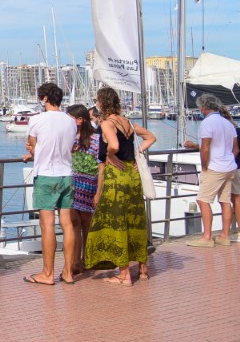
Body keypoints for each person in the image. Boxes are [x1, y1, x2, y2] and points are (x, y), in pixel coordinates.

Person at [85, 86, 155, 283]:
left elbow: (114, 145)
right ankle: (142, 270)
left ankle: (124, 275)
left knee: (116, 222)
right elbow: (151, 137)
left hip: (116, 177)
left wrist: (109, 155)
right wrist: (137, 154)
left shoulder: (107, 123)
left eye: (98, 100)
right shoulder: (128, 122)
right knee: (135, 221)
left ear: (102, 103)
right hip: (133, 177)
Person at [20, 82, 78, 286]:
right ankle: (68, 272)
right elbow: (72, 146)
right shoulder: (70, 121)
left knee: (47, 225)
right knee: (68, 224)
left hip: (46, 174)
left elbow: (32, 144)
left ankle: (47, 273)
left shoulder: (37, 119)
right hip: (67, 174)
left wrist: (32, 150)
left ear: (44, 98)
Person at [182, 93, 238, 247]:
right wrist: (228, 159)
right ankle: (224, 236)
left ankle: (207, 237)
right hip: (230, 166)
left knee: (203, 200)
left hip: (215, 167)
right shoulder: (228, 123)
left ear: (204, 107)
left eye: (200, 107)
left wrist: (205, 166)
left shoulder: (207, 123)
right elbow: (236, 148)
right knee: (225, 201)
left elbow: (205, 148)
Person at [66, 103, 101, 275]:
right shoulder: (70, 138)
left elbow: (101, 165)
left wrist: (99, 191)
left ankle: (85, 259)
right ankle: (77, 261)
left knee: (84, 224)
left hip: (87, 185)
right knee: (77, 224)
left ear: (80, 120)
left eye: (70, 118)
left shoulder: (95, 139)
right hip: (75, 184)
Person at [217, 107, 240, 243]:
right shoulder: (237, 129)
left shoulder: (226, 131)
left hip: (236, 168)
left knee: (236, 201)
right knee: (237, 200)